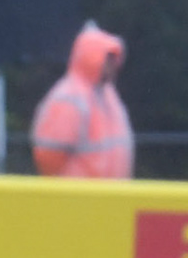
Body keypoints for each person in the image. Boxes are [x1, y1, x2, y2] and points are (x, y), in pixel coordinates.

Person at [31, 21, 134, 179]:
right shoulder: (68, 97)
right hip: (78, 199)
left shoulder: (108, 94)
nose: (115, 64)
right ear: (92, 57)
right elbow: (49, 156)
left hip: (111, 199)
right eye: (109, 58)